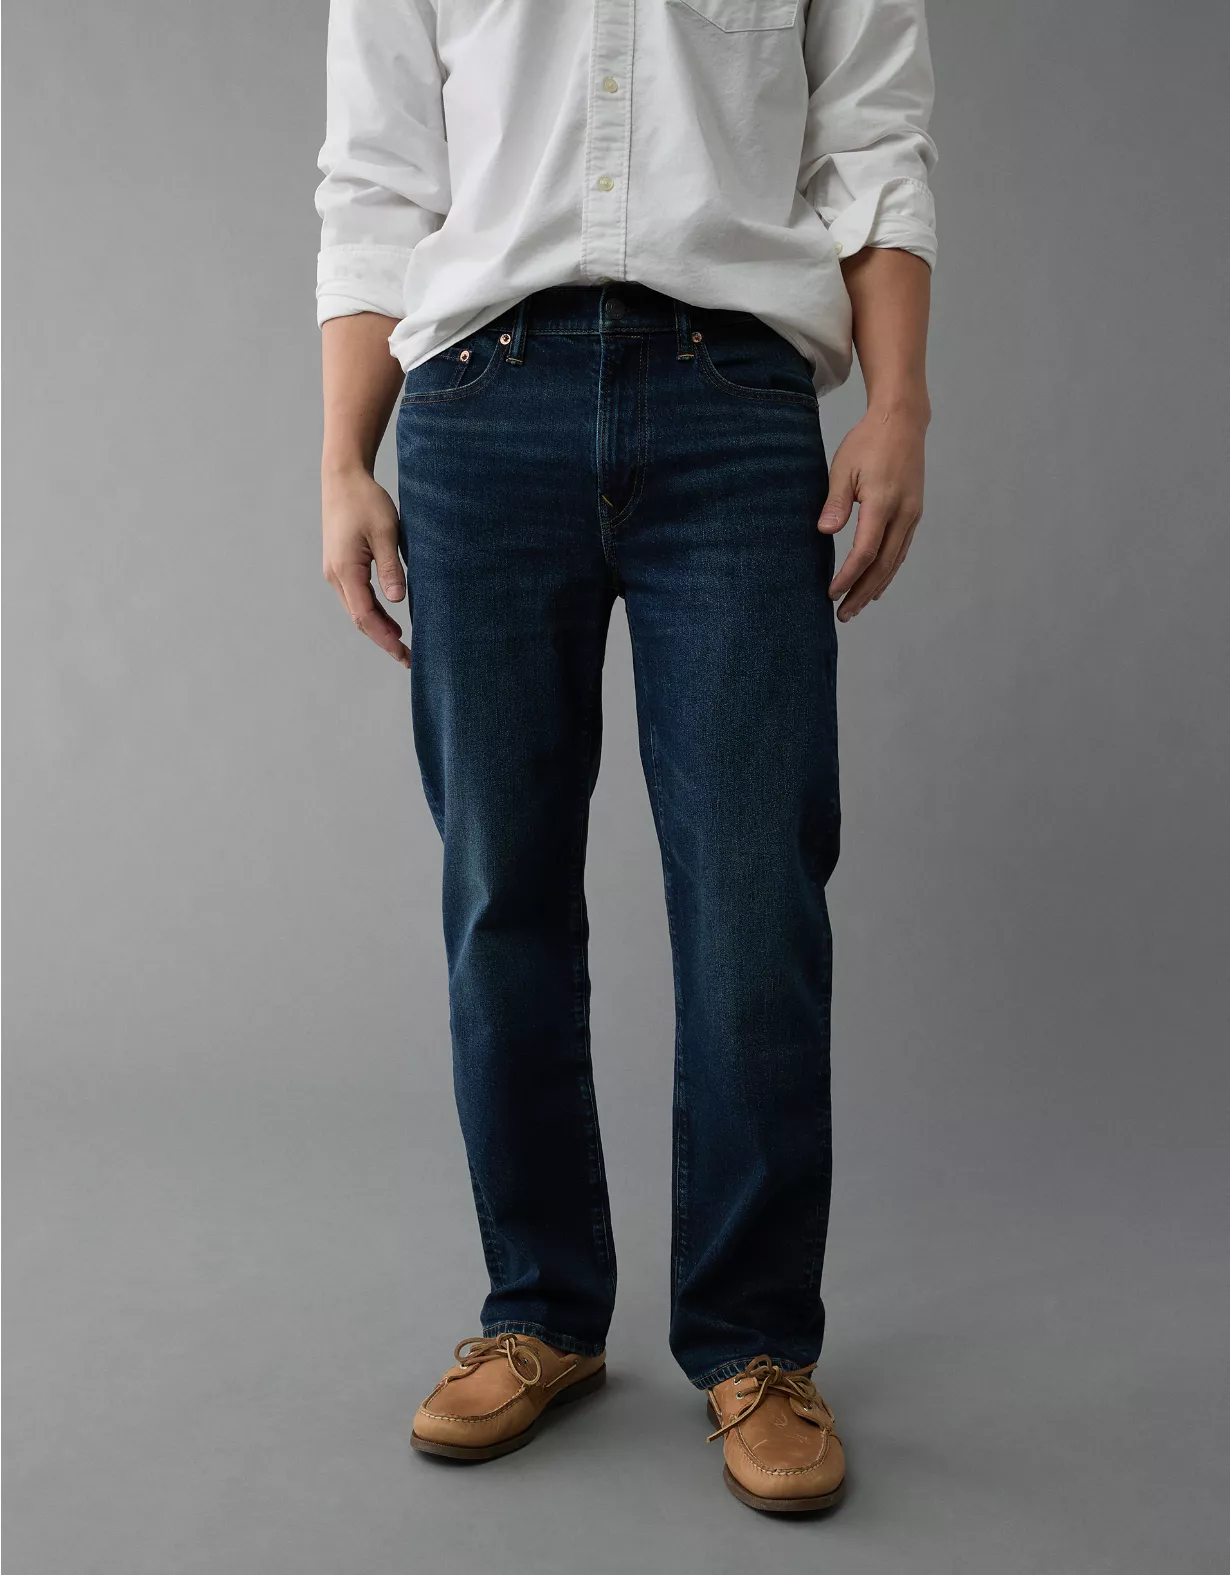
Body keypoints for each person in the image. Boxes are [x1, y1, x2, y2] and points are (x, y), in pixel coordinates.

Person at [316, 0, 935, 1514]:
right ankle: (537, 1310)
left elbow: (871, 142)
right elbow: (377, 178)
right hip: (478, 409)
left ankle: (755, 1342)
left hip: (733, 405)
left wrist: (899, 402)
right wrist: (341, 458)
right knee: (502, 889)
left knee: (753, 897)